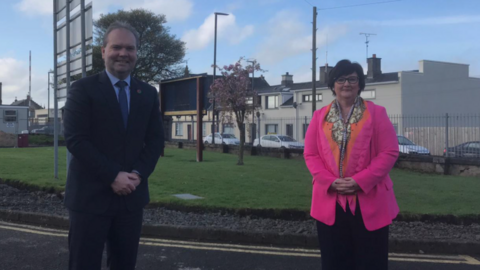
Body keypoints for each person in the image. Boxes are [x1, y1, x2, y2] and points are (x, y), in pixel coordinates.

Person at [63, 21, 164, 270]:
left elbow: (155, 140)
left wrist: (137, 175)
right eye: (116, 47)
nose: (123, 53)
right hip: (89, 198)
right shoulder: (82, 89)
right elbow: (76, 139)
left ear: (137, 53)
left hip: (131, 198)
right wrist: (113, 175)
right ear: (103, 51)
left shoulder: (148, 93)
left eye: (130, 48)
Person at [304, 59, 399, 270]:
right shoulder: (319, 116)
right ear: (333, 85)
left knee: (371, 262)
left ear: (360, 83)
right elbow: (310, 154)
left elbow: (389, 151)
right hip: (330, 201)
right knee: (334, 262)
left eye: (352, 79)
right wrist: (330, 182)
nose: (347, 84)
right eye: (341, 79)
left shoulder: (377, 113)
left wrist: (359, 181)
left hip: (370, 199)